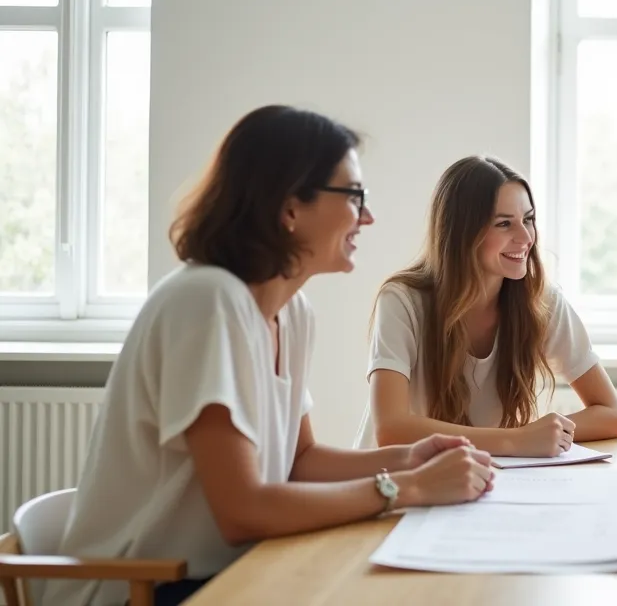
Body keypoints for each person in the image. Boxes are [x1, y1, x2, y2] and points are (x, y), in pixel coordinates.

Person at [42, 106, 495, 606]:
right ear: (289, 208)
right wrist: (405, 487)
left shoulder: (293, 313)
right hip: (143, 591)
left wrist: (405, 458)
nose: (367, 216)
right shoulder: (207, 301)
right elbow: (243, 511)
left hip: (220, 576)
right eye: (354, 196)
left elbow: (299, 461)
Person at [354, 155, 617, 457]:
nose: (525, 238)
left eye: (528, 219)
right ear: (462, 233)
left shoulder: (541, 300)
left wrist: (533, 435)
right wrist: (516, 440)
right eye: (504, 224)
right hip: (389, 483)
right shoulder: (402, 300)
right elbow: (391, 430)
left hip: (469, 480)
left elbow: (611, 414)